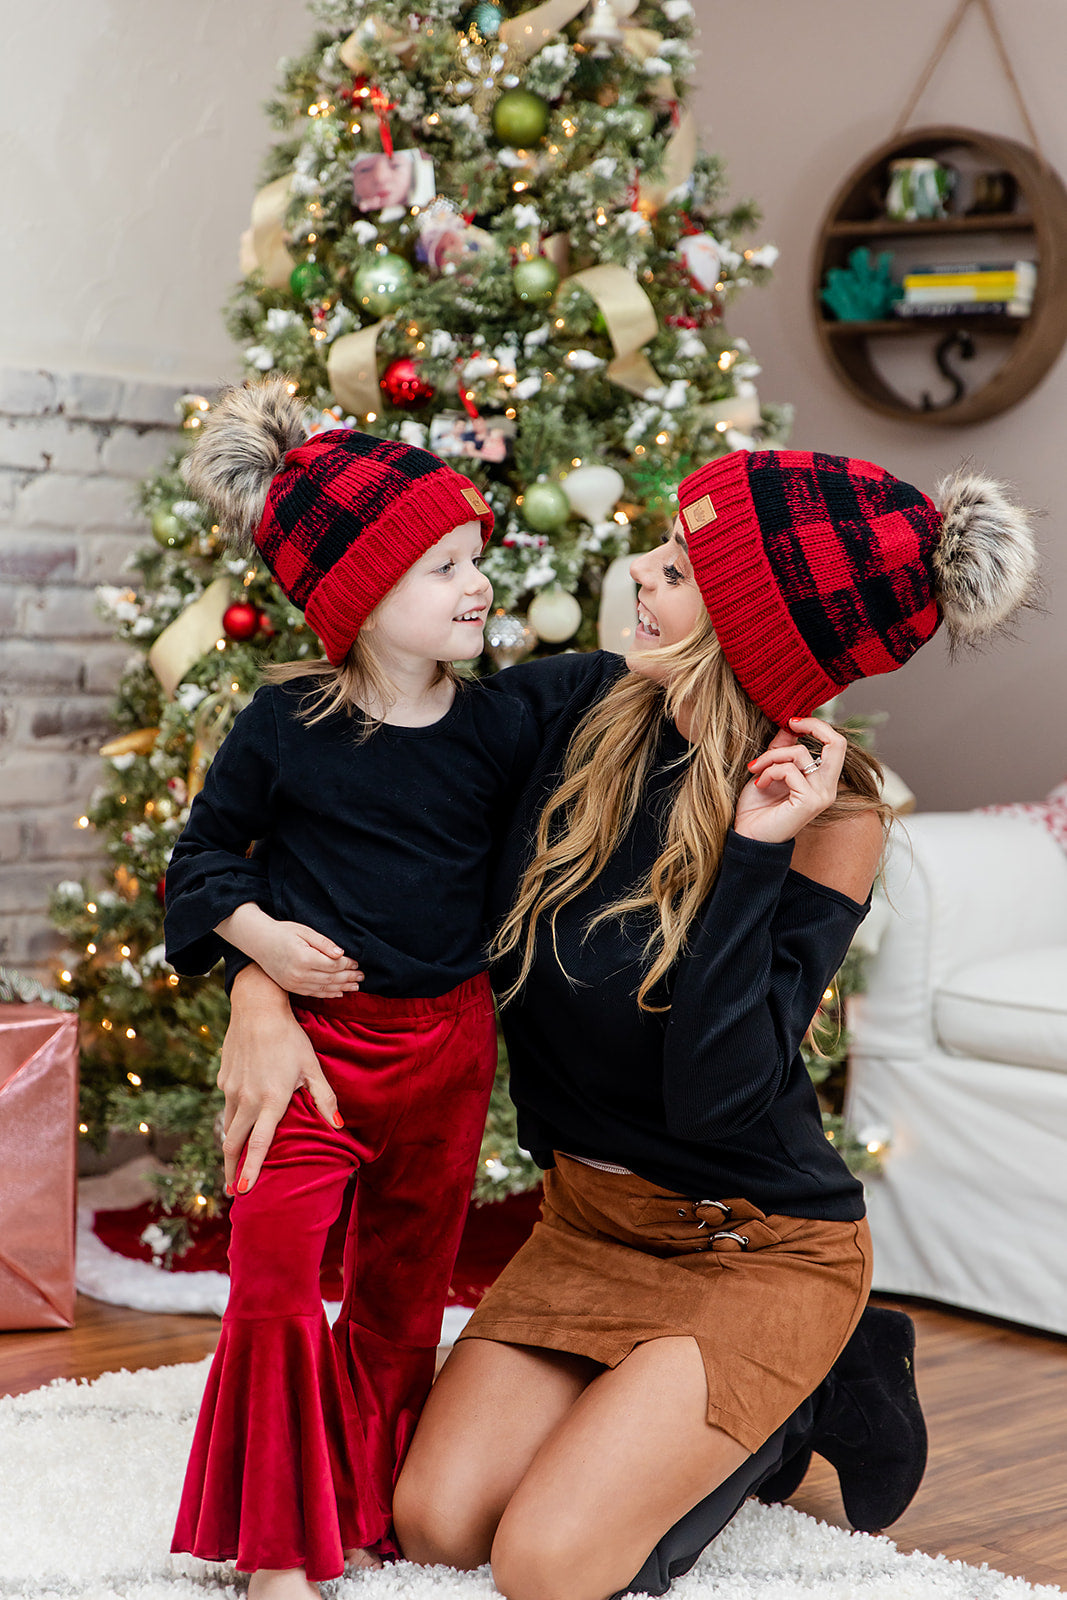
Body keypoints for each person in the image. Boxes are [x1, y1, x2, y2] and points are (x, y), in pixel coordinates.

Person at [214, 450, 1036, 1598]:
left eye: (683, 571)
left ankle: (798, 1390)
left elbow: (716, 1087)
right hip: (589, 1225)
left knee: (545, 1565)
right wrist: (257, 982)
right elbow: (351, 804)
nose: (641, 573)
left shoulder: (827, 813)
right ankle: (694, 1405)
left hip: (753, 1240)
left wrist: (751, 855)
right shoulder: (572, 706)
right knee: (439, 1519)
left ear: (754, 632)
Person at [161, 376, 536, 1600]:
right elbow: (205, 858)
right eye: (441, 565)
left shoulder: (502, 727)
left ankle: (362, 1512)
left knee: (398, 1294)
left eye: (475, 555)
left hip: (447, 1049)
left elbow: (630, 714)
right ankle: (274, 1546)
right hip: (316, 1052)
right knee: (271, 1273)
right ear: (362, 601)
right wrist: (261, 947)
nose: (475, 582)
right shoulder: (282, 725)